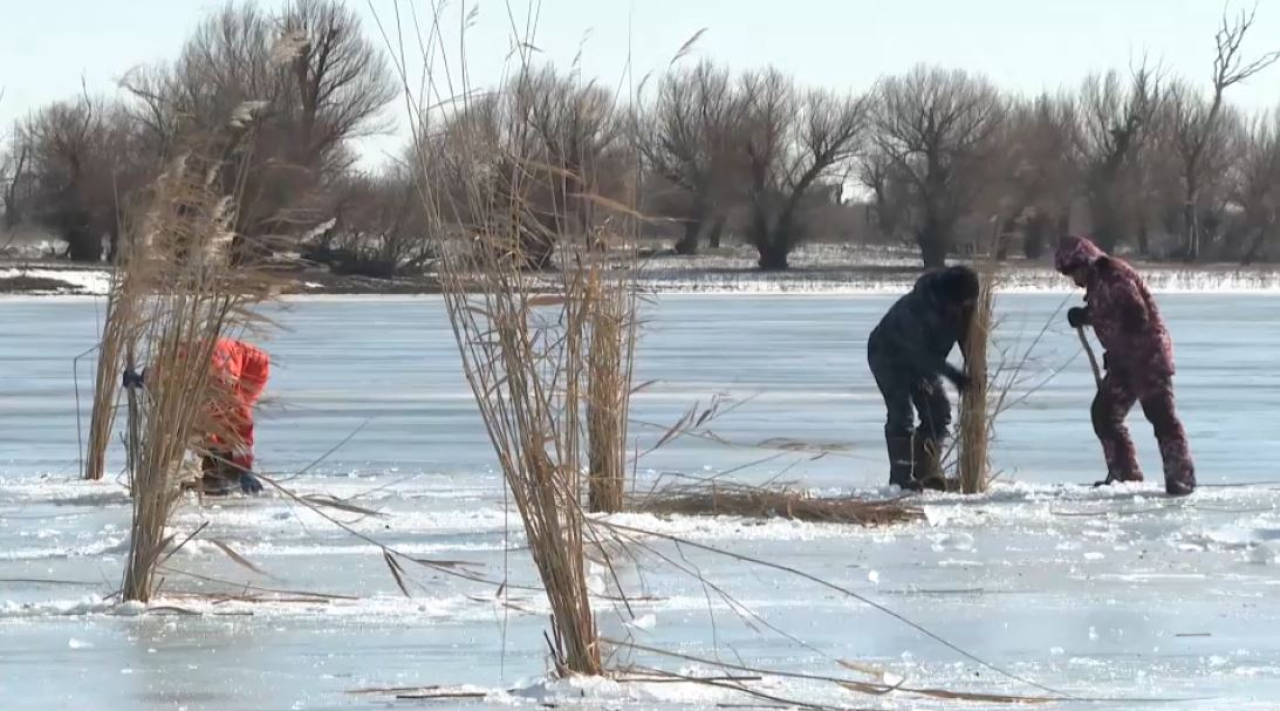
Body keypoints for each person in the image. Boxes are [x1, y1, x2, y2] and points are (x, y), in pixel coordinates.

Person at [1054, 235, 1195, 496]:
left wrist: (1120, 348)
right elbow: (1108, 310)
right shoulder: (1098, 282)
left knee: (1162, 417)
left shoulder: (1114, 275)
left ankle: (1181, 479)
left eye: (1074, 272)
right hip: (1125, 363)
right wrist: (1085, 316)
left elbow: (1134, 315)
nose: (1074, 280)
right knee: (1104, 414)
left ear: (1084, 262)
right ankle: (1125, 475)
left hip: (1147, 359)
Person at [867, 266, 978, 491]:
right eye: (961, 304)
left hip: (926, 361)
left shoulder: (962, 302)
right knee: (902, 414)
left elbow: (967, 338)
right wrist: (955, 376)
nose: (965, 308)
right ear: (949, 298)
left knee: (938, 413)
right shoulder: (917, 308)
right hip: (887, 355)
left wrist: (974, 366)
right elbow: (920, 355)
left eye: (968, 303)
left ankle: (926, 471)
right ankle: (901, 479)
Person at [123, 337, 269, 496]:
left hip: (253, 367)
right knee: (198, 422)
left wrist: (245, 469)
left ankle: (226, 469)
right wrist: (138, 380)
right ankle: (211, 466)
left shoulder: (221, 383)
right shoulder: (171, 368)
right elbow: (154, 378)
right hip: (210, 358)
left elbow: (241, 425)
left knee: (223, 424)